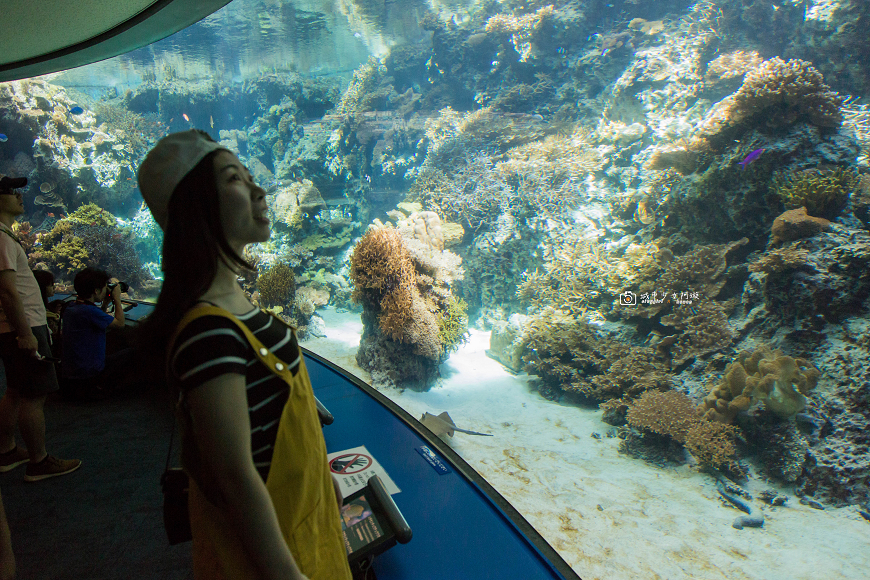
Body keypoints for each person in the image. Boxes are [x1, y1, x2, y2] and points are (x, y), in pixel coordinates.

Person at [136, 130, 351, 580]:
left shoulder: (233, 301)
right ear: (197, 208)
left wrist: (320, 479)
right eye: (235, 178)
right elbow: (235, 478)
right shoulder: (208, 332)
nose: (260, 190)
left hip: (302, 526)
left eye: (252, 176)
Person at [0, 172, 81, 481]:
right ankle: (39, 461)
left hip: (16, 327)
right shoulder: (1, 238)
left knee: (16, 391)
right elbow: (7, 290)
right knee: (35, 396)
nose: (19, 196)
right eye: (10, 191)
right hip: (24, 327)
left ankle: (6, 450)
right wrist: (25, 334)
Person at [60, 267, 132, 399]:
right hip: (88, 373)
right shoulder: (89, 311)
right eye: (105, 288)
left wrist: (104, 305)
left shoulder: (72, 307)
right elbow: (120, 324)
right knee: (133, 352)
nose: (106, 290)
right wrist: (117, 298)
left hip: (74, 371)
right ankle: (105, 389)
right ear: (96, 291)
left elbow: (97, 322)